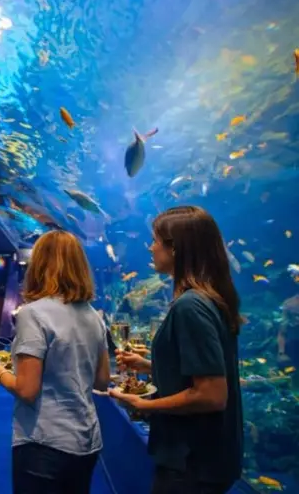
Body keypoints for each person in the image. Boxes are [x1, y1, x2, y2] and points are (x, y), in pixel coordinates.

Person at [111, 206, 243, 494]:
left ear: (176, 248)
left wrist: (143, 404)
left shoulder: (190, 306)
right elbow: (205, 369)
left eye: (156, 240)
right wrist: (149, 365)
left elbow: (211, 394)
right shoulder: (210, 298)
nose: (151, 247)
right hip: (207, 457)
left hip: (191, 461)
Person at [0, 230, 111, 494]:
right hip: (86, 440)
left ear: (39, 265)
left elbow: (28, 390)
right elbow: (102, 380)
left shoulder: (33, 314)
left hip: (44, 442)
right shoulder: (94, 316)